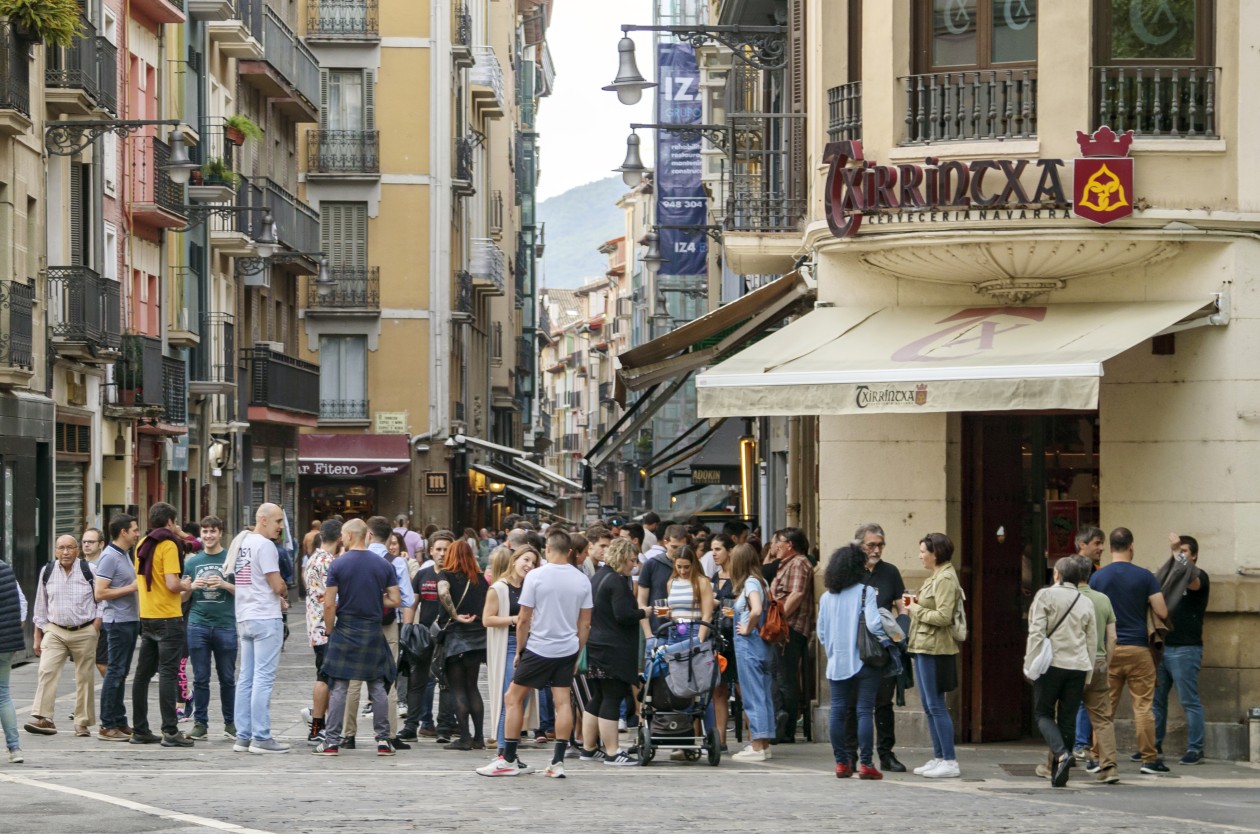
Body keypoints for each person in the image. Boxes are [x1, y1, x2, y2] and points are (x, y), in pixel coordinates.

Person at [477, 529, 593, 778]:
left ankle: (507, 758)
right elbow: (585, 624)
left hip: (540, 646)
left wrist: (520, 650)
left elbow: (524, 619)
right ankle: (557, 762)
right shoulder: (582, 579)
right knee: (562, 702)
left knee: (513, 698)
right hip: (567, 648)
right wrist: (577, 652)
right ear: (571, 552)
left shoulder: (537, 577)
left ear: (548, 549)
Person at [312, 519, 401, 757]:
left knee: (339, 686)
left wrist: (330, 631)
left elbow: (329, 604)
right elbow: (395, 599)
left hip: (346, 628)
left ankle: (331, 742)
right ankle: (383, 741)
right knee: (378, 686)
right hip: (372, 629)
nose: (342, 538)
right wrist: (373, 599)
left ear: (351, 535)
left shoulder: (339, 565)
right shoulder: (383, 565)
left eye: (343, 534)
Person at [1089, 527, 1169, 774]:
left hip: (1109, 649)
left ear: (1110, 547)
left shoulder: (1098, 578)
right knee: (1144, 707)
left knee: (1105, 708)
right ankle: (1149, 759)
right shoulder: (1145, 576)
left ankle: (1096, 757)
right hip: (1138, 649)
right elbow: (1162, 611)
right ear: (1131, 546)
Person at [837, 523, 908, 772]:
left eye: (880, 545)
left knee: (883, 704)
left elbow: (902, 605)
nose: (876, 550)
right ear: (859, 545)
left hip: (882, 647)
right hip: (853, 646)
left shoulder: (890, 572)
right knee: (851, 704)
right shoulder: (849, 572)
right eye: (871, 545)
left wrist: (902, 629)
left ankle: (886, 754)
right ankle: (850, 755)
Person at [818, 545, 892, 779]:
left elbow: (821, 631)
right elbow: (873, 623)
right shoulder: (865, 592)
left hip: (836, 662)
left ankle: (841, 762)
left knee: (837, 712)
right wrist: (887, 638)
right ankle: (866, 764)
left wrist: (833, 649)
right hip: (864, 661)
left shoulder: (826, 597)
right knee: (863, 712)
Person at [341, 517, 415, 751]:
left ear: (369, 534)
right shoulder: (395, 562)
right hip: (386, 624)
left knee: (353, 681)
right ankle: (389, 734)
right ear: (389, 536)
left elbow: (338, 597)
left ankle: (348, 734)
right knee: (387, 679)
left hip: (356, 624)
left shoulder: (349, 560)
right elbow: (407, 599)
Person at [1025, 556, 1097, 787]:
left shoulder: (1045, 595)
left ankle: (1062, 754)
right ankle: (1060, 774)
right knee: (1067, 720)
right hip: (1078, 666)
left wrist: (1030, 663)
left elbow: (1036, 632)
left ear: (1057, 574)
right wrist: (1089, 672)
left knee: (1042, 713)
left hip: (1051, 665)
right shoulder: (1086, 601)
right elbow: (1092, 640)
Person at [130, 504, 194, 747]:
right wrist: (186, 584)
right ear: (170, 521)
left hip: (147, 616)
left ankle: (140, 729)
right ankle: (170, 731)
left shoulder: (142, 543)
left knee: (142, 675)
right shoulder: (167, 545)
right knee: (168, 674)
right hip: (168, 617)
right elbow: (171, 583)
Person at [24, 534, 99, 738]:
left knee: (84, 677)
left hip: (84, 629)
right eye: (61, 548)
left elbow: (101, 600)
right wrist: (38, 635)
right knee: (46, 670)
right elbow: (40, 605)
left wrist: (96, 626)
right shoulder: (47, 571)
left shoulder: (89, 570)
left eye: (70, 548)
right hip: (55, 629)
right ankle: (44, 718)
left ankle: (82, 723)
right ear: (55, 550)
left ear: (77, 550)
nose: (65, 552)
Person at [232, 503, 291, 754]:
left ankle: (243, 735)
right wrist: (283, 593)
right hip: (265, 616)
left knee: (246, 678)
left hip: (244, 615)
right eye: (278, 521)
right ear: (263, 520)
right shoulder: (265, 546)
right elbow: (276, 583)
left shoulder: (243, 542)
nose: (281, 527)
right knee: (263, 679)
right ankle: (261, 736)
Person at [580, 537, 644, 766]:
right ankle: (613, 751)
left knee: (597, 697)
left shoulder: (597, 577)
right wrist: (645, 612)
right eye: (631, 560)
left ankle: (588, 748)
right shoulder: (616, 581)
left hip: (595, 646)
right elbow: (623, 614)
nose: (633, 565)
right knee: (612, 698)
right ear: (622, 558)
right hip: (612, 650)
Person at [907, 532, 962, 779]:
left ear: (935, 553)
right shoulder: (936, 576)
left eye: (922, 552)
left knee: (937, 705)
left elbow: (943, 616)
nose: (920, 556)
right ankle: (939, 756)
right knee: (929, 706)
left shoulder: (946, 578)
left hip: (936, 648)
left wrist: (914, 608)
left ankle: (949, 760)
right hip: (923, 646)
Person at [1154, 532, 1209, 766]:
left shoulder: (1200, 576)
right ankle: (1152, 747)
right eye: (1179, 551)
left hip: (1186, 649)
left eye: (1185, 551)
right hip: (1163, 646)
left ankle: (1195, 748)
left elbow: (1193, 582)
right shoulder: (1171, 575)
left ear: (1194, 556)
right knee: (1157, 701)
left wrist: (1177, 555)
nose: (1181, 555)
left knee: (1189, 701)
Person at [182, 516, 237, 741]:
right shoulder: (192, 562)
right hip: (198, 624)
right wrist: (191, 586)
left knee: (227, 678)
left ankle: (231, 723)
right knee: (201, 678)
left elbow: (244, 591)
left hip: (225, 625)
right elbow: (182, 596)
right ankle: (200, 724)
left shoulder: (230, 560)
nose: (208, 536)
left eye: (213, 531)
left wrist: (224, 584)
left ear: (220, 533)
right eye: (205, 532)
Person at [1068, 555, 1120, 784]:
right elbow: (1113, 637)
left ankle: (1055, 762)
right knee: (1102, 719)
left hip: (1070, 663)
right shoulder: (1103, 599)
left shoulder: (1066, 598)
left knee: (1064, 717)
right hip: (1097, 662)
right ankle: (1109, 767)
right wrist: (1106, 662)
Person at [485, 545, 540, 756]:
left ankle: (510, 750)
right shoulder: (499, 588)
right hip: (508, 643)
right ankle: (503, 751)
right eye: (526, 560)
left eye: (533, 562)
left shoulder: (531, 586)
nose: (529, 565)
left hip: (530, 644)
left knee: (521, 698)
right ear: (514, 559)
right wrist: (515, 619)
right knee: (509, 696)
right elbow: (487, 619)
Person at [403, 529, 456, 741]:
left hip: (450, 636)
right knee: (420, 681)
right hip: (424, 636)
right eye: (439, 549)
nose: (442, 553)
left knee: (447, 682)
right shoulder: (423, 575)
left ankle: (445, 726)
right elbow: (412, 602)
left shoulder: (457, 575)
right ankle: (418, 724)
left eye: (447, 549)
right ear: (431, 551)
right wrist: (408, 628)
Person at [437, 539, 489, 750]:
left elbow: (442, 592)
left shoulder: (446, 575)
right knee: (472, 687)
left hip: (455, 638)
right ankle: (479, 738)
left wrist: (455, 615)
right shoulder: (480, 579)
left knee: (458, 690)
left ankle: (465, 737)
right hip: (477, 638)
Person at [94, 514, 141, 741]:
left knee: (121, 672)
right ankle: (107, 724)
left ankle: (120, 721)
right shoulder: (110, 557)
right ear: (123, 532)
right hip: (117, 622)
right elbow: (100, 592)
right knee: (114, 672)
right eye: (134, 529)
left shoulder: (124, 554)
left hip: (129, 621)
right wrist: (131, 588)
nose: (137, 532)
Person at [728, 543, 775, 762]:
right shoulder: (762, 581)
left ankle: (757, 745)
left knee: (752, 695)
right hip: (763, 646)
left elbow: (756, 609)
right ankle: (763, 743)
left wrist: (746, 627)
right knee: (763, 695)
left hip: (749, 645)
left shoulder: (750, 583)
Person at [769, 527, 814, 744]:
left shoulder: (798, 563)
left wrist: (779, 618)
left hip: (790, 628)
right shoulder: (787, 563)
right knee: (778, 674)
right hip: (783, 627)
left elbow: (796, 593)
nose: (775, 546)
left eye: (779, 542)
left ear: (790, 545)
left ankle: (785, 728)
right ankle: (780, 717)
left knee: (785, 676)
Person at [303, 518, 342, 746]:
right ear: (339, 538)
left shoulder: (314, 559)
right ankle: (317, 727)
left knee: (324, 675)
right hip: (326, 627)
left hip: (315, 626)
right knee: (325, 678)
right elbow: (331, 599)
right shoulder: (329, 562)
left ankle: (318, 724)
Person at [1071, 526, 1108, 760]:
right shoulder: (1070, 571)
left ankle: (1082, 744)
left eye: (1102, 543)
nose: (1101, 548)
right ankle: (1080, 744)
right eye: (1096, 543)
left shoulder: (1099, 572)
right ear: (1081, 544)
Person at [708, 533, 737, 750]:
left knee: (744, 687)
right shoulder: (714, 578)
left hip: (737, 636)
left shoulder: (740, 578)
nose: (714, 554)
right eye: (712, 550)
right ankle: (721, 739)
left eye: (718, 549)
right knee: (719, 689)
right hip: (718, 637)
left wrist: (720, 602)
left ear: (729, 550)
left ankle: (757, 739)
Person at [635, 524, 687, 633]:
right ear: (665, 543)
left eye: (681, 547)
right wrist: (648, 635)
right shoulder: (652, 564)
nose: (678, 551)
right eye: (674, 547)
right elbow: (641, 602)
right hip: (658, 631)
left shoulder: (692, 566)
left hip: (685, 631)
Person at [0, 554, 27, 762]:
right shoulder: (6, 570)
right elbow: (22, 605)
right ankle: (14, 748)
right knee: (3, 695)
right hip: (6, 645)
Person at [80, 528, 107, 676]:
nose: (86, 545)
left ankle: (113, 697)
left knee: (102, 663)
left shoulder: (106, 563)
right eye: (84, 542)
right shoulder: (78, 564)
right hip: (82, 620)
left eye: (91, 542)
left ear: (101, 544)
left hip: (103, 620)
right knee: (83, 666)